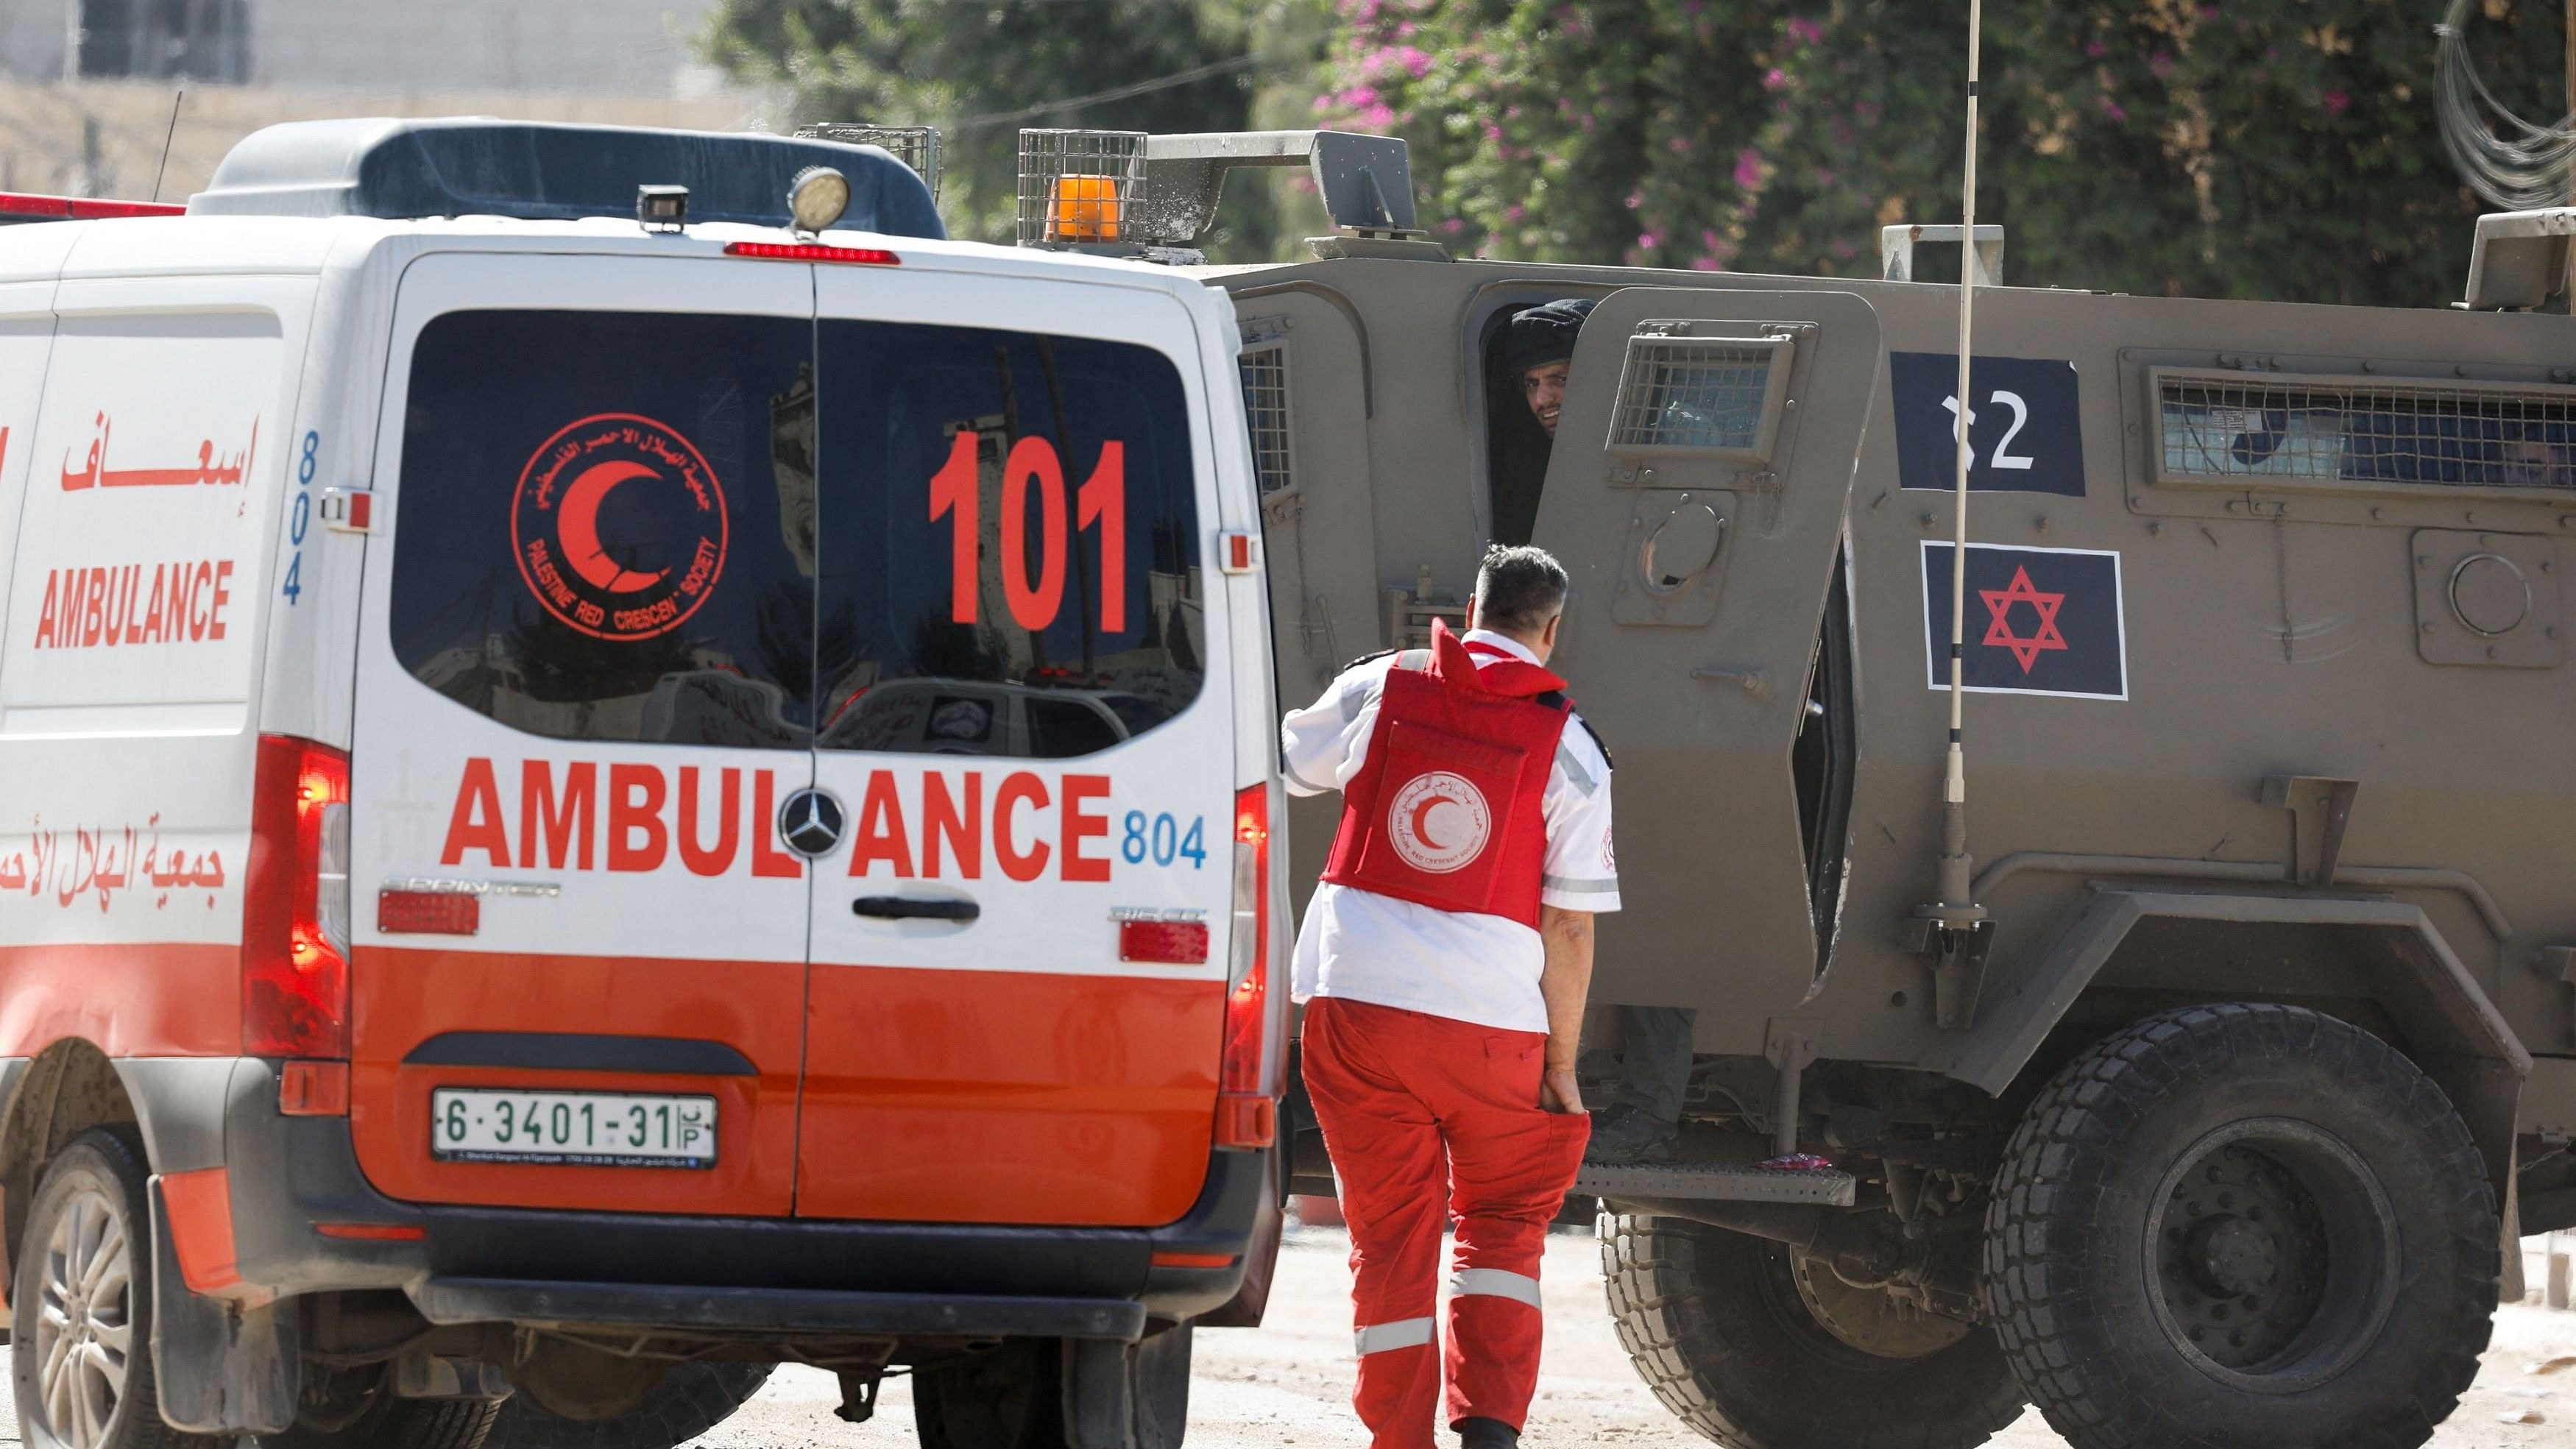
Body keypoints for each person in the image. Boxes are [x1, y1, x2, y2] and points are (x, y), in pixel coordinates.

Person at [1285, 545, 1617, 1449]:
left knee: (1389, 1237)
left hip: (1357, 1011)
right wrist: (1559, 1066)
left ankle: (1398, 1440)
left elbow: (1288, 766)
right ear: (1552, 629)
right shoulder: (1575, 750)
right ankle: (1489, 1432)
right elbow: (1572, 927)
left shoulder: (1380, 685)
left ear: (1468, 609)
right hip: (1493, 1031)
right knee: (1502, 1226)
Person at [1497, 298, 1695, 1167]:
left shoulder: (1667, 449)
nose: (1544, 398)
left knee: (1655, 906)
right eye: (1533, 384)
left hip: (1665, 706)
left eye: (1560, 379)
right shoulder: (1537, 463)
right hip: (1569, 710)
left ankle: (1652, 1106)